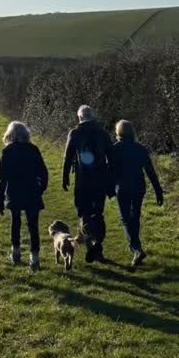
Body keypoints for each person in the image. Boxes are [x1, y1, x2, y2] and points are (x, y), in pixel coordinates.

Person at [62, 105, 114, 263]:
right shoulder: (103, 133)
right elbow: (112, 158)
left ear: (80, 118)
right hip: (100, 180)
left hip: (82, 180)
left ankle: (91, 243)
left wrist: (65, 177)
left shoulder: (75, 133)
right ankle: (97, 244)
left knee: (84, 213)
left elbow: (68, 156)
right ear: (93, 117)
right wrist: (111, 180)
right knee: (98, 213)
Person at [0, 121, 49, 271]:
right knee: (33, 226)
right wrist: (40, 188)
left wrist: (0, 198)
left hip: (14, 192)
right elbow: (43, 173)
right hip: (32, 191)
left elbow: (1, 178)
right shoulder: (33, 150)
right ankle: (35, 258)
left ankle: (16, 252)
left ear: (10, 135)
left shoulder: (6, 152)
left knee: (15, 222)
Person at [112, 119, 163, 267]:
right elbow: (150, 172)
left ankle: (136, 249)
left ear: (118, 132)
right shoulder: (140, 149)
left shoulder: (115, 148)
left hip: (122, 188)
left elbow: (110, 170)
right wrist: (158, 191)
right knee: (135, 217)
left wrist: (107, 187)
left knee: (125, 219)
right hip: (138, 187)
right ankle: (137, 247)